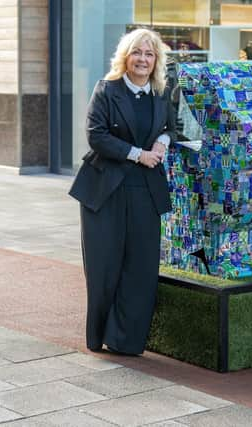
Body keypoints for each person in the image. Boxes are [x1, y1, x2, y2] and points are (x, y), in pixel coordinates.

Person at [68, 28, 176, 355]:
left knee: (141, 267)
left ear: (156, 60)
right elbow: (96, 135)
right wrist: (137, 154)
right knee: (105, 265)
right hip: (107, 190)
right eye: (137, 53)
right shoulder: (107, 90)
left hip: (146, 189)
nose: (143, 59)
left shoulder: (161, 92)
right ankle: (98, 336)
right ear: (125, 57)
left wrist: (162, 141)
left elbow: (172, 127)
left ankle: (126, 341)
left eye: (149, 54)